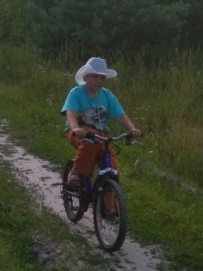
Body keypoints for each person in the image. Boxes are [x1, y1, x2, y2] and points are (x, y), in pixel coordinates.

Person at [61, 57, 142, 190]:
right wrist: (75, 128)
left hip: (101, 135)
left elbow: (120, 115)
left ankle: (109, 200)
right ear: (85, 77)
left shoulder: (107, 95)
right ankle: (77, 172)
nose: (99, 80)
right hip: (77, 132)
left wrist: (132, 128)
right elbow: (70, 112)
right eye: (95, 76)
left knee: (112, 170)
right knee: (90, 142)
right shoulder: (76, 93)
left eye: (102, 77)